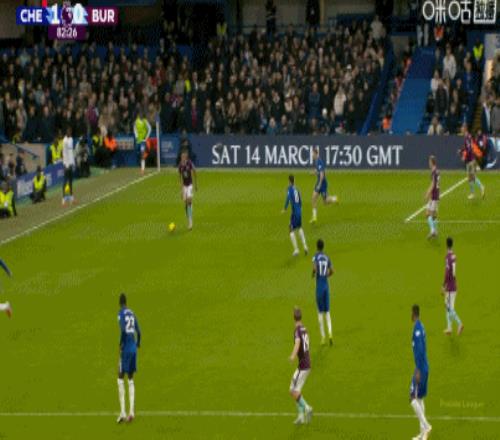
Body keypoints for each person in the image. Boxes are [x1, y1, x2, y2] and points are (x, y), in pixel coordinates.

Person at [117, 293, 141, 424]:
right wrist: (138, 344)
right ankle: (131, 412)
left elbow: (123, 330)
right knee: (130, 379)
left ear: (119, 303)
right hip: (133, 349)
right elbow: (139, 332)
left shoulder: (120, 314)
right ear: (126, 302)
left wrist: (121, 344)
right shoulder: (132, 313)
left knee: (120, 377)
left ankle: (122, 413)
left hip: (126, 349)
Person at [410, 305, 432, 440]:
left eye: (411, 313)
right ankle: (422, 434)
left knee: (412, 398)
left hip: (420, 368)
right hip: (424, 366)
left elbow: (419, 350)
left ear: (414, 314)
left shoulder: (417, 330)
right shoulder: (421, 326)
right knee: (419, 398)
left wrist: (417, 370)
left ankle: (426, 426)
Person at [289, 307, 313, 425]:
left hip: (303, 366)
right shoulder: (305, 329)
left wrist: (293, 356)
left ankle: (307, 408)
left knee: (292, 390)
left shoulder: (297, 330)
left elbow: (298, 343)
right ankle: (301, 416)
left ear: (293, 317)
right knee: (296, 390)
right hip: (307, 364)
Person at [312, 239, 333, 345]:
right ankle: (330, 333)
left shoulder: (315, 256)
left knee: (320, 312)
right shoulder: (327, 257)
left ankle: (323, 337)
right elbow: (332, 271)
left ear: (317, 246)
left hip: (319, 287)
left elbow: (315, 268)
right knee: (327, 312)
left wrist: (313, 274)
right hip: (326, 286)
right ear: (323, 247)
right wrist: (326, 275)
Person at [442, 237, 464, 336]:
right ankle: (449, 328)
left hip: (450, 287)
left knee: (449, 308)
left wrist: (443, 285)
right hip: (453, 285)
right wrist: (456, 282)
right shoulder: (454, 256)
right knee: (447, 306)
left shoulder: (447, 257)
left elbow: (447, 273)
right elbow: (454, 272)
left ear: (446, 245)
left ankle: (459, 324)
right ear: (452, 244)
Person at [282, 175, 308, 256]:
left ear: (289, 181)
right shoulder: (297, 189)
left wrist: (285, 208)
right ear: (294, 181)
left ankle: (296, 250)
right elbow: (300, 201)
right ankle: (305, 247)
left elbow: (288, 199)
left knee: (290, 229)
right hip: (299, 211)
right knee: (299, 227)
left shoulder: (290, 190)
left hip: (295, 213)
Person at [310, 147, 337, 224]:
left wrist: (319, 184)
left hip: (322, 183)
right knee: (313, 198)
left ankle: (334, 198)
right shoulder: (316, 161)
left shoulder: (319, 161)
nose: (312, 155)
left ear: (316, 154)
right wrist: (314, 172)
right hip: (319, 182)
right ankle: (314, 217)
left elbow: (322, 174)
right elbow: (318, 171)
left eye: (312, 154)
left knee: (325, 202)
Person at [461, 125, 485, 200]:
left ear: (465, 129)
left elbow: (469, 148)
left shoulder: (467, 137)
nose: (461, 129)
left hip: (470, 160)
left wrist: (464, 156)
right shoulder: (468, 136)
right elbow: (466, 147)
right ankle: (472, 193)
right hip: (470, 160)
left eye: (462, 128)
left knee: (472, 177)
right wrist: (461, 150)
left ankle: (481, 187)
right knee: (470, 177)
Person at [178, 149, 197, 230]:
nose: (182, 158)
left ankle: (190, 222)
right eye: (181, 156)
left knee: (189, 200)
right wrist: (181, 190)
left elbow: (194, 172)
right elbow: (180, 178)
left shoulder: (189, 163)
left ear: (186, 157)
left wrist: (196, 184)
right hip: (184, 186)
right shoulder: (180, 166)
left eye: (184, 156)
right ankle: (189, 210)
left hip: (190, 185)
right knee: (186, 204)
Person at [425, 155, 439, 239]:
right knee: (433, 215)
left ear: (432, 162)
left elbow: (433, 184)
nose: (428, 163)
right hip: (436, 195)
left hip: (433, 196)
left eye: (429, 162)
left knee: (428, 214)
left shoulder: (434, 172)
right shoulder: (437, 171)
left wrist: (428, 193)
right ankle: (435, 231)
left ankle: (432, 231)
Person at [134, 110, 151, 175]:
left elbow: (149, 129)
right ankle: (141, 166)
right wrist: (136, 136)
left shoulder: (145, 121)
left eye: (141, 114)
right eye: (139, 114)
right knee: (138, 153)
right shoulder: (136, 121)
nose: (140, 115)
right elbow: (135, 129)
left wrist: (146, 137)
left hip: (143, 141)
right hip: (138, 140)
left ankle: (142, 170)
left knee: (142, 153)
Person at [62, 127, 75, 206]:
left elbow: (71, 152)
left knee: (70, 180)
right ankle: (63, 198)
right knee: (65, 180)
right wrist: (66, 164)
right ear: (66, 132)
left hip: (70, 163)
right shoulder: (64, 141)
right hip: (66, 163)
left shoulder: (71, 139)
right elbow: (65, 153)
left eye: (70, 131)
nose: (69, 132)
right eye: (68, 131)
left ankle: (71, 197)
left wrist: (73, 163)